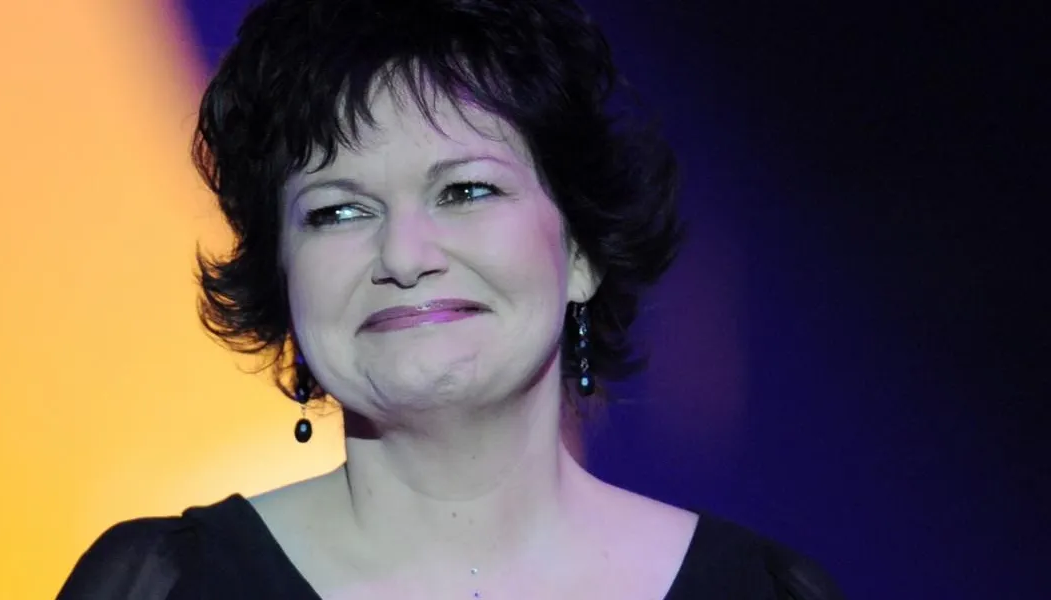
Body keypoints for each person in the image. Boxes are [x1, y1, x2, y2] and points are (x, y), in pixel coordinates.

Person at [58, 0, 845, 598]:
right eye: (338, 211)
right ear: (282, 276)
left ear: (579, 251)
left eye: (465, 190)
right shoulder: (161, 586)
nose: (403, 255)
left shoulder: (764, 589)